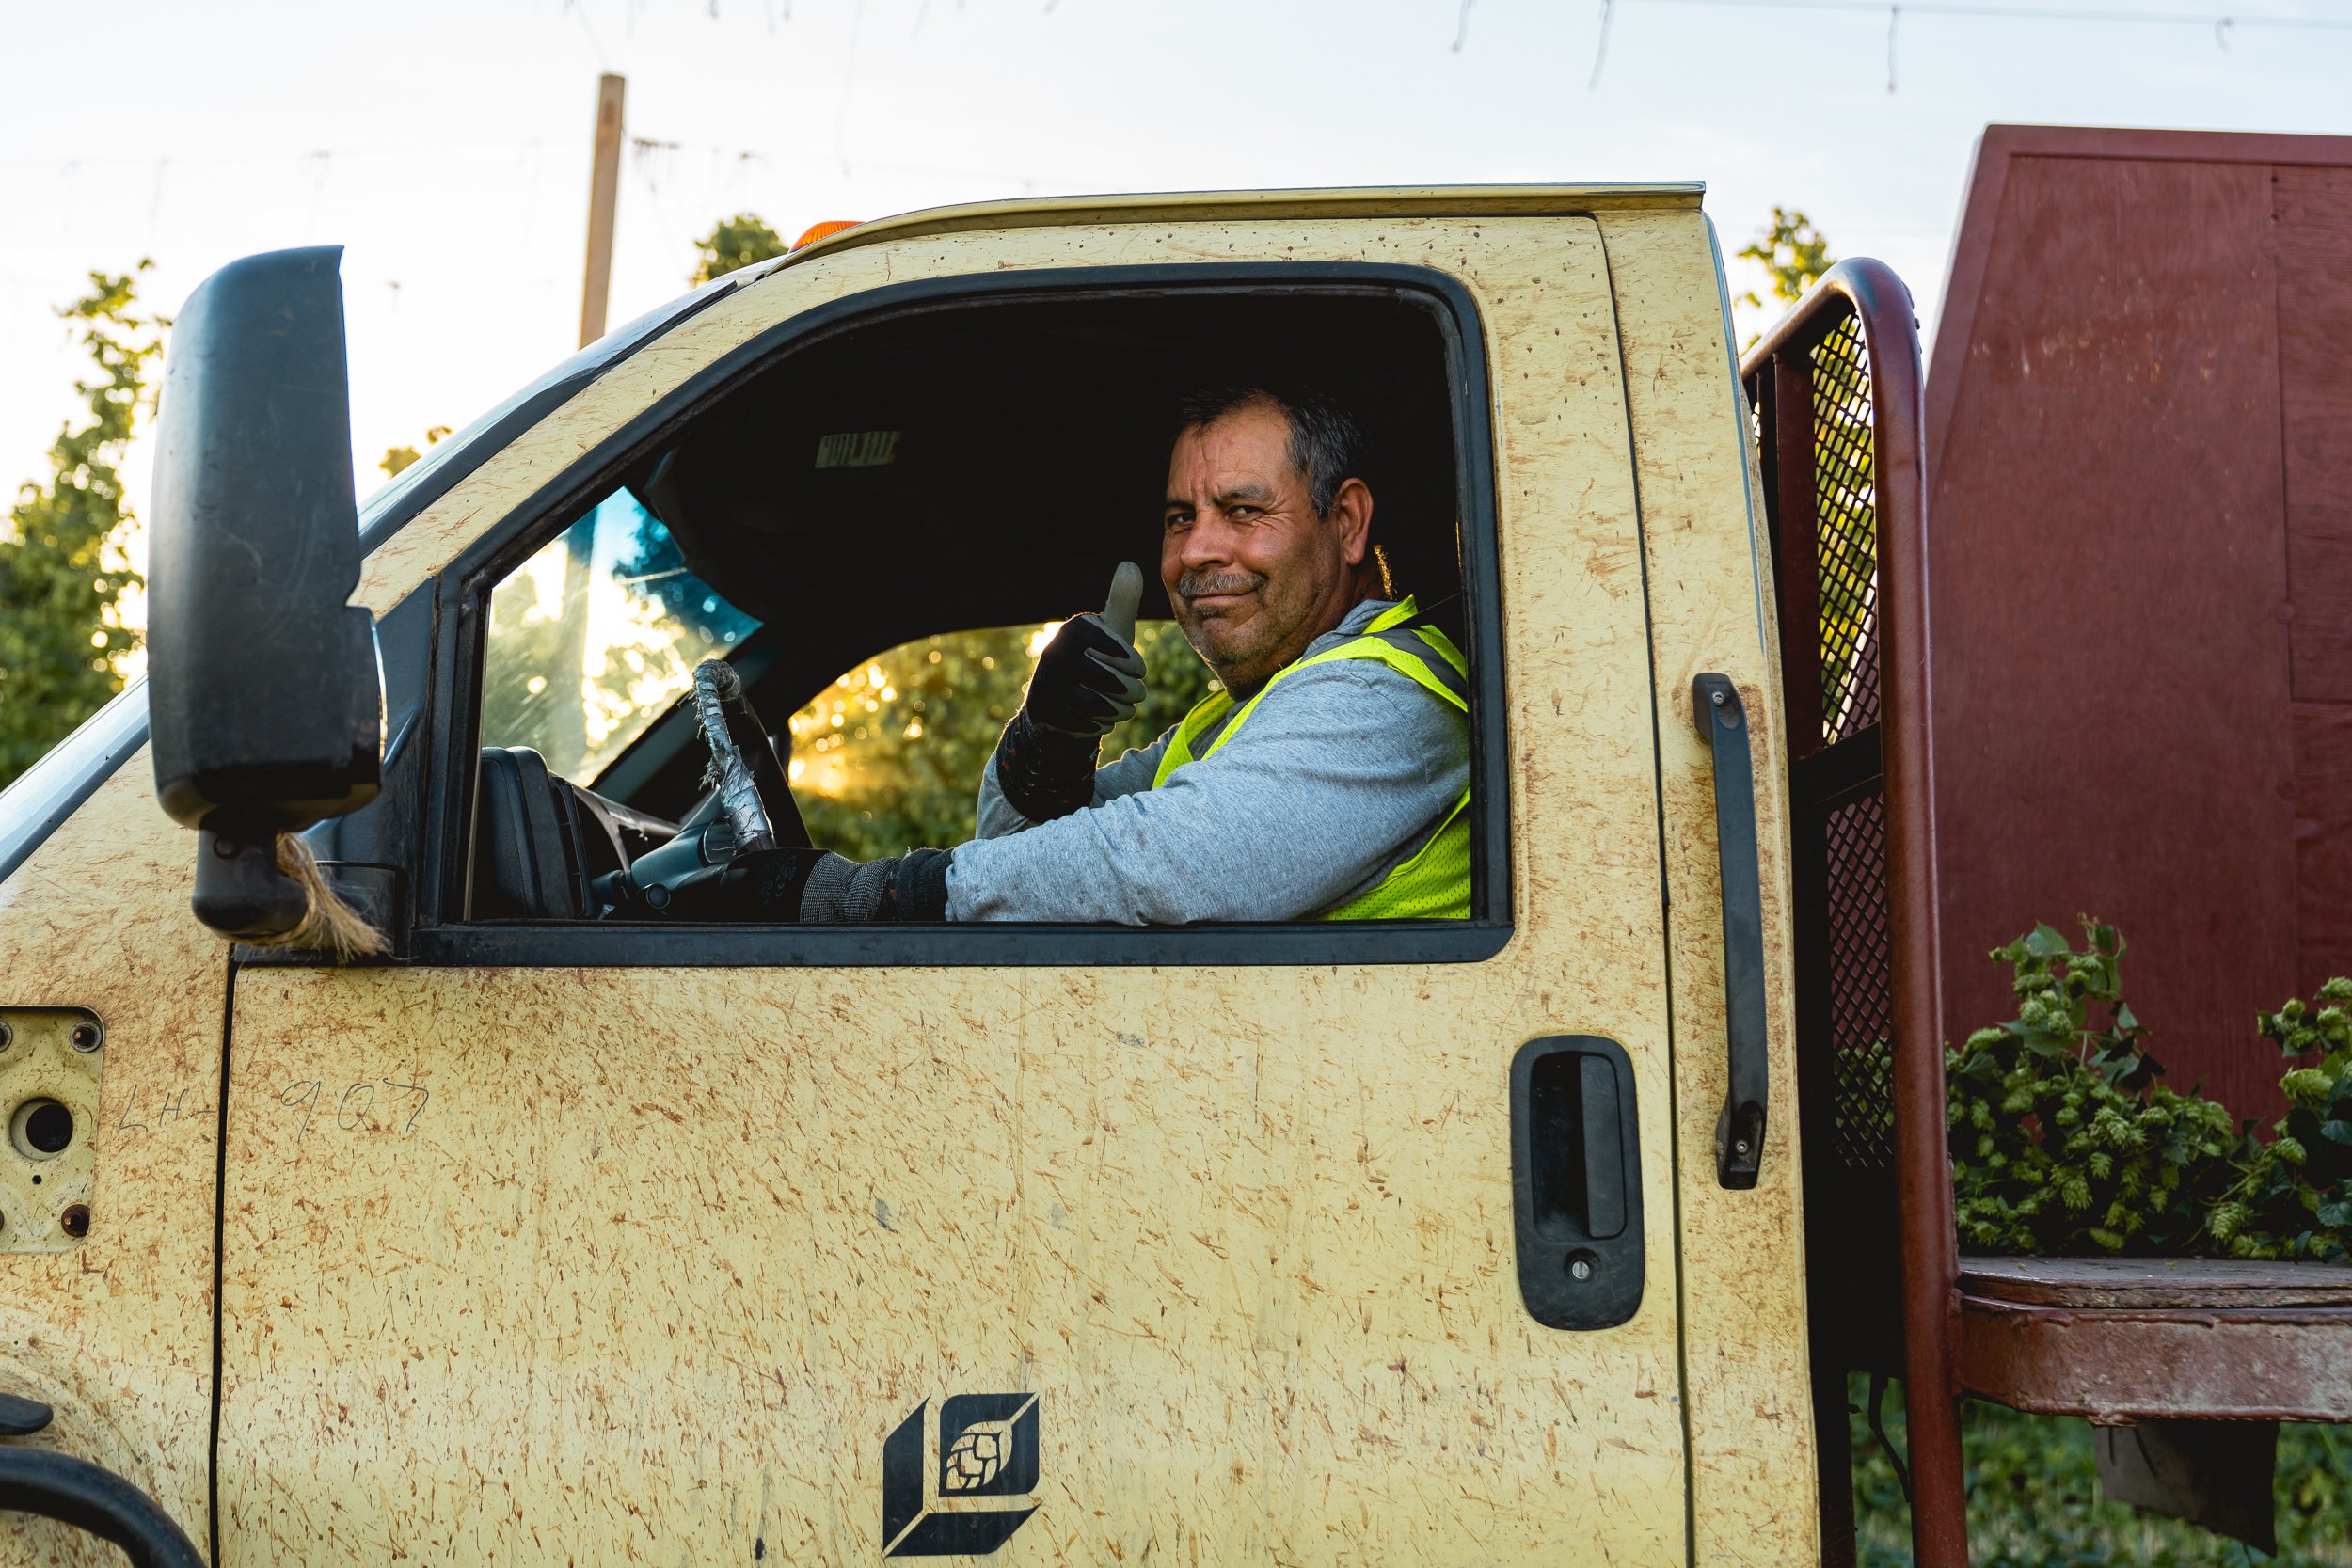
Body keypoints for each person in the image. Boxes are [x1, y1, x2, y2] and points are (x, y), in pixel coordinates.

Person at [707, 385, 1470, 924]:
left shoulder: (1390, 697)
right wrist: (1047, 744)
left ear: (1346, 523)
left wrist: (869, 897)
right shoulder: (1237, 720)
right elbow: (1017, 867)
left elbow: (1161, 864)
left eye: (1243, 509)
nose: (1198, 549)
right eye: (1180, 517)